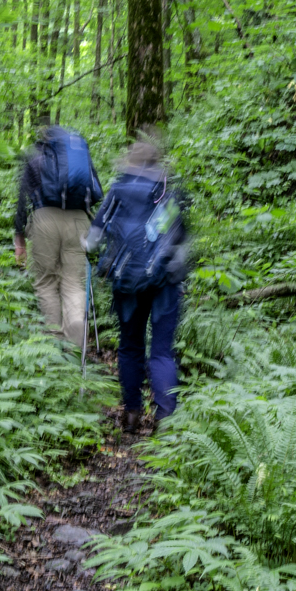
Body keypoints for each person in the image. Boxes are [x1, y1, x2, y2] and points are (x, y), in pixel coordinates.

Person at [84, 140, 191, 431]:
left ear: (129, 162)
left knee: (130, 348)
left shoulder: (117, 191)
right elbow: (180, 244)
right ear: (157, 163)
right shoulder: (167, 192)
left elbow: (93, 241)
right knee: (161, 351)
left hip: (126, 284)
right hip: (164, 285)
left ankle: (131, 415)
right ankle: (165, 417)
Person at [14, 124, 104, 349]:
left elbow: (22, 198)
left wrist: (19, 236)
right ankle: (75, 337)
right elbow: (95, 191)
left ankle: (54, 343)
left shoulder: (35, 157)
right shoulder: (78, 155)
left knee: (46, 282)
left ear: (44, 139)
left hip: (45, 219)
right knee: (74, 283)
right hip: (78, 220)